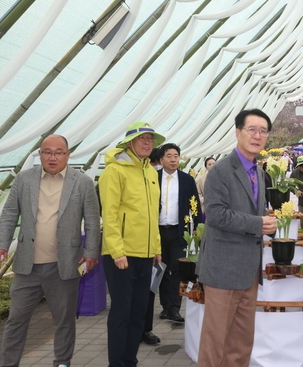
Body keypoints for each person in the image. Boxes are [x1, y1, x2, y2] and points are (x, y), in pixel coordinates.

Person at [0, 135, 101, 367]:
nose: (52, 157)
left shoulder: (81, 182)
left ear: (68, 155)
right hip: (26, 266)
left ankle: (62, 362)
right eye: (47, 152)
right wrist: (0, 244)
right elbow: (10, 213)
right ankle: (7, 364)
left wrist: (91, 252)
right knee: (16, 321)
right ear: (39, 154)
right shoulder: (24, 179)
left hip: (64, 265)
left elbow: (92, 220)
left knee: (63, 320)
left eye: (58, 152)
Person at [196, 109, 277, 367]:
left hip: (249, 270)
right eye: (252, 129)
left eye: (263, 131)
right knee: (215, 342)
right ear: (237, 132)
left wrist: (267, 221)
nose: (257, 135)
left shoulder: (258, 171)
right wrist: (257, 223)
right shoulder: (220, 170)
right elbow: (216, 215)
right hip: (223, 269)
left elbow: (252, 211)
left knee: (241, 342)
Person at [99, 122, 165, 367]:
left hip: (146, 254)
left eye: (150, 139)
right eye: (142, 138)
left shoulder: (150, 172)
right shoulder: (114, 171)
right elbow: (111, 214)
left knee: (139, 313)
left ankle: (130, 361)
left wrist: (157, 247)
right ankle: (117, 363)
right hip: (122, 255)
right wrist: (117, 251)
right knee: (121, 314)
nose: (147, 142)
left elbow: (152, 215)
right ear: (129, 143)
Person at [142, 143, 203, 345]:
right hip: (157, 232)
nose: (173, 159)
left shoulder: (187, 180)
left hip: (179, 231)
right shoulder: (153, 177)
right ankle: (164, 305)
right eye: (169, 156)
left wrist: (198, 227)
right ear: (161, 159)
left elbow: (195, 204)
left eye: (176, 155)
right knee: (160, 269)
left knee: (177, 268)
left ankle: (173, 308)